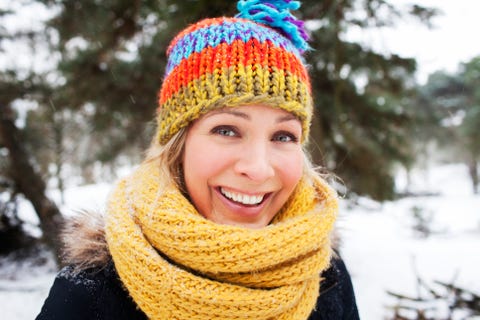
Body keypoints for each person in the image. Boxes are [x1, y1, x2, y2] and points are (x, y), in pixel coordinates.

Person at [36, 0, 359, 319]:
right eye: (227, 130)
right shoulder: (92, 295)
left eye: (283, 136)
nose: (259, 169)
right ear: (179, 144)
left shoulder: (325, 275)